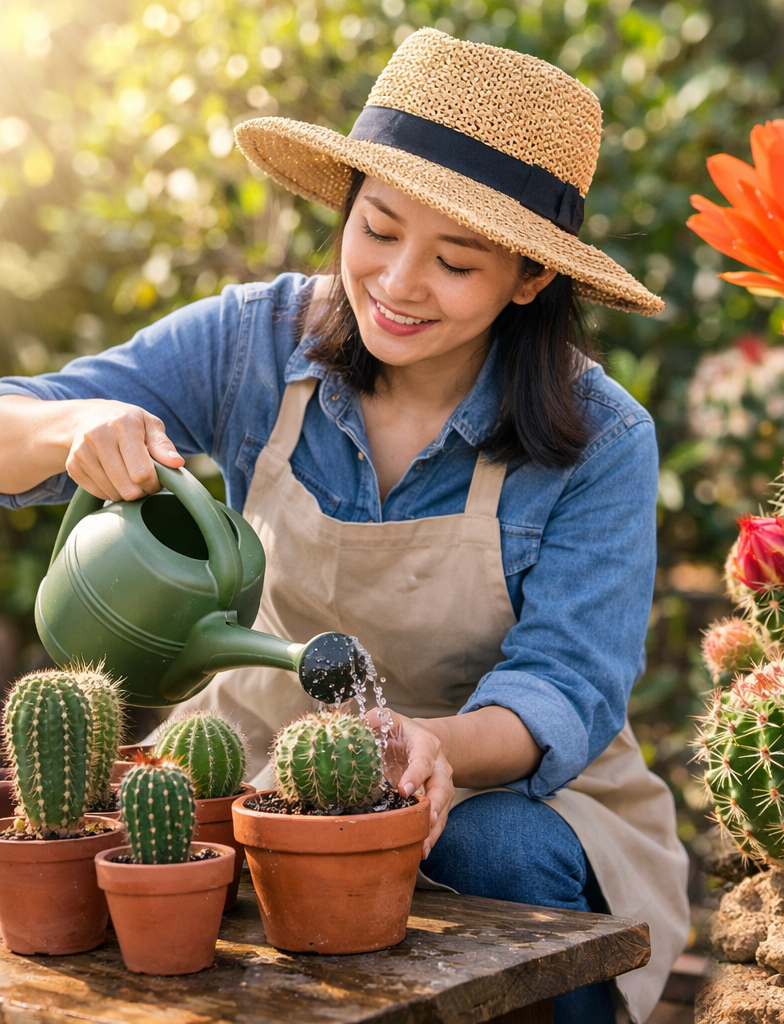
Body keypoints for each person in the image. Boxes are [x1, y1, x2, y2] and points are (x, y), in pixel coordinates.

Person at [0, 29, 687, 1024]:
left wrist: (432, 746)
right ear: (346, 206)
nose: (400, 284)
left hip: (495, 788)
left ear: (528, 279)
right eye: (379, 228)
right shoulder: (253, 341)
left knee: (490, 848)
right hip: (266, 765)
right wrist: (72, 425)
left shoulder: (601, 438)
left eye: (456, 261)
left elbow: (565, 685)